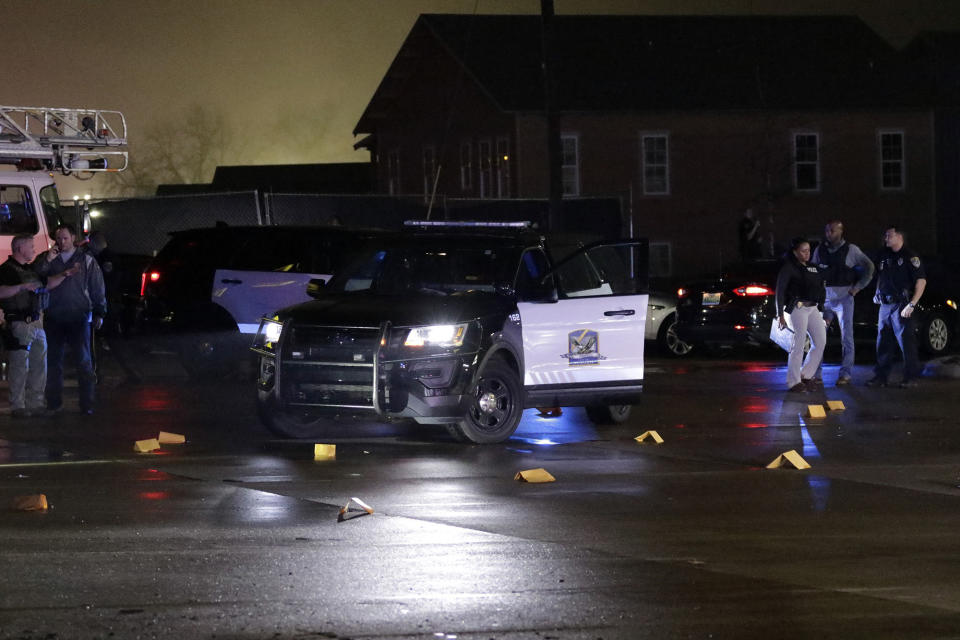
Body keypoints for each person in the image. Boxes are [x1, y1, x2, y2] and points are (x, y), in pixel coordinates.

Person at [0, 234, 76, 417]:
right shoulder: (6, 270)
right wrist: (21, 287)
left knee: (39, 365)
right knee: (20, 366)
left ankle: (36, 403)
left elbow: (47, 284)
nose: (34, 250)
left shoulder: (30, 269)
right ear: (20, 248)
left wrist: (65, 274)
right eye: (31, 246)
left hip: (36, 322)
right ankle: (18, 406)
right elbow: (1, 292)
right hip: (20, 322)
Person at [34, 224, 107, 415]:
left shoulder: (86, 260)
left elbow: (97, 286)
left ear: (73, 238)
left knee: (83, 360)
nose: (61, 242)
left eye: (65, 238)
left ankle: (87, 404)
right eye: (58, 239)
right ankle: (54, 402)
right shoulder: (49, 258)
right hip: (54, 315)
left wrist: (100, 311)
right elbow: (37, 275)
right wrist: (48, 259)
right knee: (53, 361)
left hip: (78, 316)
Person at [811, 220, 875, 385]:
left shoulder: (851, 250)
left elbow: (869, 267)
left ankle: (845, 374)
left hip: (843, 298)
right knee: (818, 337)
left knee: (847, 337)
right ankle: (816, 374)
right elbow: (812, 271)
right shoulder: (820, 250)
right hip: (825, 298)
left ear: (841, 231)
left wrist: (858, 287)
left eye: (832, 231)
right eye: (826, 231)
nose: (828, 234)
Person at [867, 226, 926, 388]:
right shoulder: (884, 255)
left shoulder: (910, 256)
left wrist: (912, 304)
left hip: (902, 304)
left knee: (906, 342)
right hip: (885, 305)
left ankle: (911, 377)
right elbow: (880, 275)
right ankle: (881, 377)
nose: (886, 238)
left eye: (889, 236)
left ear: (899, 237)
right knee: (883, 342)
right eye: (886, 235)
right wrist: (877, 291)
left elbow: (921, 281)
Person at [774, 237, 827, 392]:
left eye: (809, 250)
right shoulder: (789, 267)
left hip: (813, 307)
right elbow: (780, 291)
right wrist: (780, 314)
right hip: (797, 308)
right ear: (795, 252)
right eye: (803, 250)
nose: (807, 253)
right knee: (798, 344)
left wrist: (822, 309)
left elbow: (821, 288)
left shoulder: (813, 267)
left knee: (820, 341)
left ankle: (806, 375)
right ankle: (794, 381)